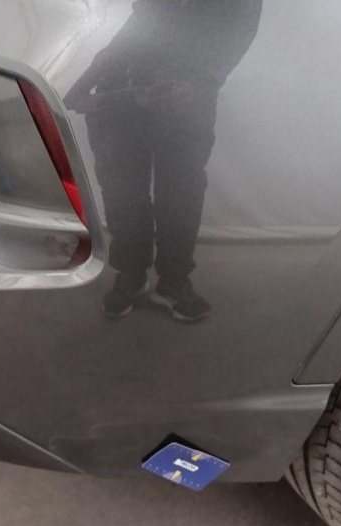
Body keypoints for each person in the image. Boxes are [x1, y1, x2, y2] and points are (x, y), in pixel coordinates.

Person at [66, 0, 263, 321]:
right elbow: (140, 22)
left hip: (187, 97)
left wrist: (202, 81)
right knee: (123, 191)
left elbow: (239, 34)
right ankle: (131, 275)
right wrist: (88, 79)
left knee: (181, 193)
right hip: (124, 90)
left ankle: (173, 281)